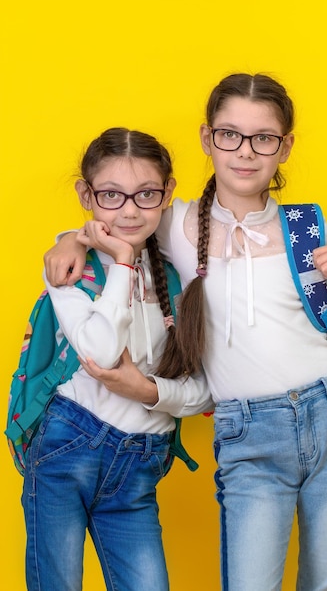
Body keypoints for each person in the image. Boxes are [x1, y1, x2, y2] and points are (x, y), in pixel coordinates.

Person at [44, 74, 327, 591]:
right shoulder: (175, 222)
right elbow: (118, 216)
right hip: (248, 429)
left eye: (263, 138)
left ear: (285, 147)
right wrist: (69, 238)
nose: (245, 152)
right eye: (229, 135)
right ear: (208, 140)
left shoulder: (304, 224)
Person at [23, 127, 213, 591]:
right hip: (68, 445)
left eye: (146, 193)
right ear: (86, 195)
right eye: (110, 194)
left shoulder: (176, 274)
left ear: (168, 193)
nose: (129, 209)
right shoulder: (68, 268)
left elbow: (206, 389)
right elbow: (102, 353)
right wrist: (123, 260)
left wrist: (149, 392)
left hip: (139, 461)